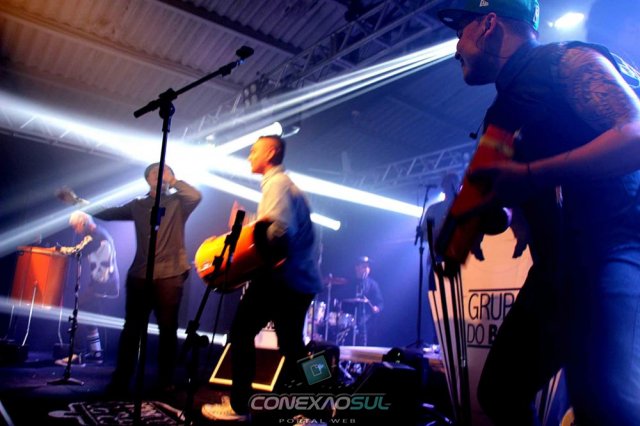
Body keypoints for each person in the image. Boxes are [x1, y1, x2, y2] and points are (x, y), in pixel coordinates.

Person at [437, 0, 640, 425]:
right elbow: (517, 202)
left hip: (620, 245)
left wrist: (530, 175)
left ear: (489, 24)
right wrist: (482, 219)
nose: (455, 46)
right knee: (500, 392)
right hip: (561, 265)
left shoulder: (567, 61)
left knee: (608, 404)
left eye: (460, 29)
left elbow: (635, 136)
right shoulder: (505, 112)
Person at [201, 135, 323, 422]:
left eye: (254, 151)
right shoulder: (284, 185)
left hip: (280, 279)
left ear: (270, 152)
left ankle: (239, 406)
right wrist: (249, 227)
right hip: (298, 280)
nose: (249, 156)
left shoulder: (277, 183)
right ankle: (319, 405)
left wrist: (244, 236)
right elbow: (277, 228)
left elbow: (279, 233)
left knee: (241, 334)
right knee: (294, 346)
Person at [97, 162, 202, 394]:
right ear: (147, 179)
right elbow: (108, 213)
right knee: (132, 329)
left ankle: (165, 381)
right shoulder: (138, 204)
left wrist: (173, 181)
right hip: (140, 275)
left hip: (170, 275)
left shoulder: (179, 202)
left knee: (168, 330)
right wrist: (77, 202)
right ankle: (121, 379)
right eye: (155, 172)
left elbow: (196, 196)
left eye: (165, 171)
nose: (160, 174)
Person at [55, 210, 120, 366]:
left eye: (75, 226)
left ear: (83, 222)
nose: (76, 230)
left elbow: (78, 251)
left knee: (80, 312)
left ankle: (77, 354)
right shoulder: (100, 233)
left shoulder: (94, 236)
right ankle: (96, 353)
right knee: (89, 314)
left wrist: (58, 249)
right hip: (106, 283)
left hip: (103, 284)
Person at [335, 256, 383, 346]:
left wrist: (377, 308)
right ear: (357, 267)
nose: (367, 269)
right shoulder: (349, 282)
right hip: (348, 315)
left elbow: (380, 302)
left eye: (368, 267)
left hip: (365, 318)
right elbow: (339, 298)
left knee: (363, 325)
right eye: (364, 266)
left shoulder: (373, 284)